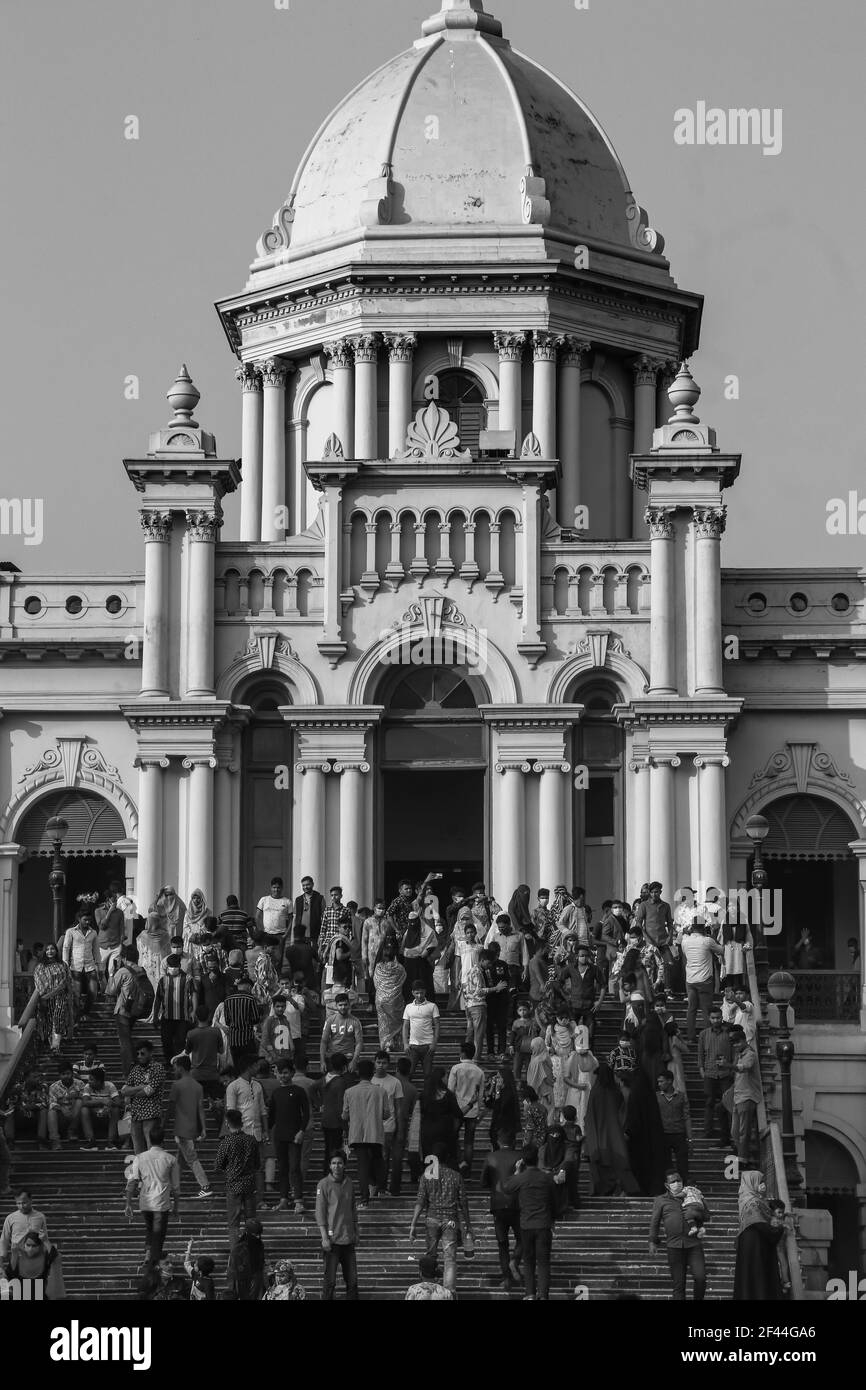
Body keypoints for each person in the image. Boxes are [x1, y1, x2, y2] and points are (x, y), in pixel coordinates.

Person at [409, 1145, 473, 1295]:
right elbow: (463, 1203)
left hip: (431, 1218)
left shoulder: (426, 1176)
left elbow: (420, 1201)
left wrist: (413, 1224)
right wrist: (468, 1225)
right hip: (450, 1220)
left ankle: (429, 1293)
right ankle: (448, 1292)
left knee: (430, 1256)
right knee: (450, 1259)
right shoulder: (456, 1176)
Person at [501, 1145, 556, 1301]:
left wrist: (517, 1171)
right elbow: (554, 1201)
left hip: (526, 1225)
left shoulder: (521, 1178)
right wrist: (553, 1219)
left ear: (523, 1160)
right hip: (544, 1224)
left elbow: (506, 1187)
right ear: (538, 1158)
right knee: (544, 1262)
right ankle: (543, 1295)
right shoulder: (546, 1178)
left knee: (529, 1261)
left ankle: (530, 1294)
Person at [648, 1169, 709, 1301]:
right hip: (674, 1246)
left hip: (694, 1244)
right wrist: (652, 1240)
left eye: (679, 1180)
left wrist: (697, 1215)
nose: (677, 1183)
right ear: (667, 1185)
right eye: (673, 1181)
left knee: (701, 1277)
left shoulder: (692, 1195)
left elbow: (707, 1215)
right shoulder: (660, 1200)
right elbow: (655, 1222)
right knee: (679, 1285)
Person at [124, 1124, 180, 1264]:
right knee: (158, 1235)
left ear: (149, 1139)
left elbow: (132, 1182)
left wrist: (128, 1204)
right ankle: (152, 1263)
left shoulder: (139, 1158)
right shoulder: (171, 1159)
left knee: (150, 1231)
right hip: (161, 1204)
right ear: (163, 1141)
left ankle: (150, 1253)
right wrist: (176, 1207)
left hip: (145, 1203)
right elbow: (176, 1187)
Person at [583, 1062, 639, 1196]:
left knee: (600, 1164)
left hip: (598, 1134)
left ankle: (603, 1189)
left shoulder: (595, 1093)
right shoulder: (616, 1092)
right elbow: (622, 1112)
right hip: (615, 1135)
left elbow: (590, 1116)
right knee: (618, 1162)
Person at [342, 1057, 391, 1205]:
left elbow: (345, 1115)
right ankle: (381, 1189)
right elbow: (386, 1114)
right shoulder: (380, 1091)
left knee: (362, 1165)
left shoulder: (349, 1092)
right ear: (372, 1073)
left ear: (358, 1073)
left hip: (357, 1133)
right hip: (375, 1132)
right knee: (378, 1161)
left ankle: (364, 1198)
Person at [266, 1059, 311, 1213]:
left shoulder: (299, 1091)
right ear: (276, 1074)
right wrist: (267, 1132)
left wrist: (301, 1131)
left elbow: (306, 1114)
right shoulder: (276, 1093)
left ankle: (298, 1200)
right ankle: (283, 1199)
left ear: (292, 1073)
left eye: (285, 1072)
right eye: (280, 1073)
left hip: (294, 1135)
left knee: (294, 1167)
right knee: (283, 1168)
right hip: (279, 1135)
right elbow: (271, 1116)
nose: (283, 1076)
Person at [733, 1170, 784, 1300]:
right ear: (752, 1183)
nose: (763, 1185)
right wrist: (779, 1229)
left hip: (751, 1243)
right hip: (755, 1244)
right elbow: (759, 1223)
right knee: (757, 1276)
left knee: (750, 1277)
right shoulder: (752, 1202)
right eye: (760, 1182)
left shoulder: (749, 1199)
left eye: (763, 1182)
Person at [316, 1152, 360, 1299]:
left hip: (348, 1239)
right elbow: (320, 1212)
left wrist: (356, 1231)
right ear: (329, 1165)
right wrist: (324, 1238)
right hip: (332, 1240)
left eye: (340, 1163)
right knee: (330, 1282)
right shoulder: (323, 1184)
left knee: (353, 1281)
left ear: (345, 1165)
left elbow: (353, 1208)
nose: (337, 1166)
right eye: (333, 1163)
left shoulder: (349, 1183)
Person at [482, 1130, 523, 1290]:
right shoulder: (520, 1156)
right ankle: (515, 1260)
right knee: (522, 1238)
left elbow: (482, 1182)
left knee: (502, 1243)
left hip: (498, 1205)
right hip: (517, 1204)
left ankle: (506, 1278)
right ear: (514, 1142)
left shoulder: (491, 1157)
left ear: (498, 1142)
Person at [168, 1055, 212, 1198]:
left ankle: (205, 1186)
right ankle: (171, 1187)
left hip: (182, 1128)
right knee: (179, 1160)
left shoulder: (177, 1085)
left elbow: (171, 1107)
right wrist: (204, 1128)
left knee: (191, 1158)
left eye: (175, 1067)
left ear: (180, 1067)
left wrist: (163, 1124)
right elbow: (201, 1108)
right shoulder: (198, 1086)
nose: (174, 1070)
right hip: (192, 1127)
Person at [216, 1107, 261, 1245]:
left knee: (234, 1223)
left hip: (233, 1185)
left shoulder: (226, 1142)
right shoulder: (251, 1140)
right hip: (249, 1184)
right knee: (251, 1221)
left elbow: (218, 1165)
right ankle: (252, 1249)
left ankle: (236, 1253)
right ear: (241, 1122)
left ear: (227, 1123)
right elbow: (257, 1164)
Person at [105, 949, 152, 1075]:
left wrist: (112, 975)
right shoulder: (142, 970)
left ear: (125, 958)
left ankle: (128, 1072)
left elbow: (110, 991)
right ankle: (138, 1065)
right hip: (136, 1011)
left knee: (124, 1042)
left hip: (123, 1010)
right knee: (128, 1039)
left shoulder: (123, 971)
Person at [623, 1066, 667, 1196]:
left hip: (638, 1140)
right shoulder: (650, 1094)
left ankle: (639, 1189)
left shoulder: (635, 1094)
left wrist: (628, 1132)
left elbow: (634, 1119)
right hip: (653, 1139)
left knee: (639, 1165)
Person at [681, 919, 724, 1042]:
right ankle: (708, 1038)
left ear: (692, 928)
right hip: (705, 980)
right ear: (703, 928)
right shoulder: (707, 941)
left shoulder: (685, 941)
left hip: (690, 979)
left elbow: (685, 954)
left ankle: (690, 1037)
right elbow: (721, 951)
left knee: (691, 1009)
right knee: (706, 1010)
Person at [447, 1041, 485, 1178]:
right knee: (469, 1141)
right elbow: (481, 1095)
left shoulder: (456, 1069)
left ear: (462, 1053)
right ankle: (467, 1171)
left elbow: (450, 1090)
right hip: (473, 1110)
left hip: (457, 1109)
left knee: (452, 1137)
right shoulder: (479, 1071)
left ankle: (459, 1162)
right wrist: (480, 1110)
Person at [121, 1041, 165, 1154]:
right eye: (138, 1054)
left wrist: (131, 1092)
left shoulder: (157, 1068)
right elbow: (123, 1090)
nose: (139, 1056)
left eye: (142, 1053)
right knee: (138, 1152)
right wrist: (139, 1087)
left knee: (152, 1150)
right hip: (135, 1115)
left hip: (151, 1114)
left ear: (151, 1053)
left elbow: (148, 1092)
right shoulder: (135, 1069)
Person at [697, 1005, 734, 1142]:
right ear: (709, 1018)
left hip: (725, 1073)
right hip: (709, 1073)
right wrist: (702, 1070)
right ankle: (708, 1131)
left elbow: (734, 1052)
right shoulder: (704, 1034)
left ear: (722, 1017)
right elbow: (700, 1054)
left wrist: (731, 1069)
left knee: (728, 1103)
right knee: (709, 1102)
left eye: (718, 1017)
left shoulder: (728, 1033)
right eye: (713, 1018)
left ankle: (729, 1132)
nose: (716, 1020)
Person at [153, 953, 195, 1064]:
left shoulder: (187, 978)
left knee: (180, 1042)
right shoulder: (163, 980)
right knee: (166, 1041)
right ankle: (169, 1063)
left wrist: (194, 1011)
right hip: (167, 1017)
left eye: (175, 965)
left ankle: (179, 1064)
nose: (173, 968)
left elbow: (194, 994)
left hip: (182, 1017)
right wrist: (155, 1015)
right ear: (167, 966)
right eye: (171, 966)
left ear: (179, 965)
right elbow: (158, 999)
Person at [32, 942, 72, 1055]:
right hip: (47, 998)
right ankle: (53, 1047)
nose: (50, 951)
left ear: (56, 951)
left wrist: (69, 993)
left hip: (61, 997)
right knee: (49, 1021)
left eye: (52, 949)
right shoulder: (40, 966)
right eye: (48, 949)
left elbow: (68, 980)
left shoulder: (62, 965)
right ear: (45, 951)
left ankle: (56, 1045)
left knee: (58, 1018)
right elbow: (39, 983)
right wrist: (45, 995)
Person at [62, 908, 102, 1018]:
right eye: (85, 920)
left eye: (89, 920)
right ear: (79, 919)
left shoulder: (93, 932)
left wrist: (99, 965)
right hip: (76, 966)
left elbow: (96, 950)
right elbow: (66, 948)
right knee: (76, 994)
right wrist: (65, 963)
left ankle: (85, 1011)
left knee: (93, 992)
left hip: (90, 966)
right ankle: (76, 1016)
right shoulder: (71, 932)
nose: (87, 922)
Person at [420, 1069, 463, 1169]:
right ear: (442, 1078)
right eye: (446, 1077)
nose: (447, 1079)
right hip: (445, 1133)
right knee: (445, 1159)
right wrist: (470, 1104)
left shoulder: (424, 1095)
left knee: (430, 1159)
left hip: (427, 1132)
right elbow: (458, 1114)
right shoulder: (448, 1095)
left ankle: (430, 1181)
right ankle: (445, 1181)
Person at [730, 1027, 762, 1164]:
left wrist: (728, 1066)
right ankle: (741, 1155)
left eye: (737, 1043)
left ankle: (743, 1159)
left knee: (744, 1131)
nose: (735, 1046)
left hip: (747, 1096)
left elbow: (746, 1067)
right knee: (735, 1131)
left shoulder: (750, 1054)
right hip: (738, 1096)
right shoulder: (740, 1054)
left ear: (743, 1041)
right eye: (733, 1043)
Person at [372, 1050, 403, 1188]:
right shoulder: (369, 1081)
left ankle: (382, 1186)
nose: (381, 1065)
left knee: (384, 1157)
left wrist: (400, 1128)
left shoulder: (395, 1082)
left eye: (384, 1063)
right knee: (372, 1157)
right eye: (378, 1062)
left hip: (388, 1126)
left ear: (388, 1064)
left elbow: (399, 1107)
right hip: (370, 1125)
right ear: (374, 1063)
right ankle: (373, 1185)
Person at [391, 1056, 421, 1195]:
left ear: (396, 1068)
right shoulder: (412, 1089)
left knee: (382, 1157)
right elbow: (414, 1112)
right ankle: (395, 1188)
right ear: (410, 1071)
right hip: (401, 1125)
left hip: (384, 1124)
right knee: (397, 1157)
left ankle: (379, 1186)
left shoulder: (388, 1083)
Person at [0, 1189, 49, 1272]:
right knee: (17, 1284)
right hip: (17, 1258)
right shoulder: (10, 1218)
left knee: (34, 1284)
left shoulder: (40, 1217)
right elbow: (4, 1239)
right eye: (18, 1203)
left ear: (31, 1200)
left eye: (24, 1203)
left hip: (35, 1259)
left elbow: (45, 1237)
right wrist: (1, 1258)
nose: (21, 1206)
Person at [7, 1229, 65, 1299]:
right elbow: (11, 1275)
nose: (30, 1248)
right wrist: (14, 1254)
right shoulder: (19, 1259)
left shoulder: (44, 1258)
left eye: (34, 1246)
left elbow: (55, 1258)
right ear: (24, 1245)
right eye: (28, 1245)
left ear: (39, 1246)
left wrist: (45, 1241)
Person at [656, 1069, 691, 1182]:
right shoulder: (656, 1096)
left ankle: (684, 1185)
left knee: (682, 1164)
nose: (659, 1084)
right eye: (659, 1082)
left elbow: (687, 1116)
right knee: (665, 1164)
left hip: (679, 1134)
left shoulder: (681, 1096)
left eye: (662, 1081)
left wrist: (690, 1138)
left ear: (670, 1081)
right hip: (663, 1134)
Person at [372, 939, 407, 1051]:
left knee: (384, 1023)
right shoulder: (399, 968)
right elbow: (403, 980)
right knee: (396, 1022)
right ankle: (396, 1045)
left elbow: (376, 982)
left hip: (381, 999)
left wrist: (383, 992)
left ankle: (387, 1046)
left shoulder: (378, 967)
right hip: (395, 1000)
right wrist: (393, 991)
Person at [402, 979, 440, 1079]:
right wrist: (405, 1043)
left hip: (428, 1046)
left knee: (428, 1075)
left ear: (425, 992)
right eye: (417, 993)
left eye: (421, 993)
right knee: (408, 1074)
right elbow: (405, 1026)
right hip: (413, 1046)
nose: (419, 995)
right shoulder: (408, 1007)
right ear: (412, 993)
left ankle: (428, 1094)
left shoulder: (432, 1006)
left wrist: (434, 1043)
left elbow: (437, 1025)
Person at [79, 1065, 122, 1151]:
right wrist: (102, 1101)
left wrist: (109, 1105)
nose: (89, 1081)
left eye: (91, 1079)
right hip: (93, 1117)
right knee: (84, 1109)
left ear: (99, 1081)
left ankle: (111, 1141)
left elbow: (118, 1103)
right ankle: (91, 1141)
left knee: (116, 1109)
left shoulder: (110, 1086)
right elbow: (84, 1102)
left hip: (107, 1117)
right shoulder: (88, 1087)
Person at [320, 991, 363, 1073]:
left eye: (345, 1004)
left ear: (349, 1005)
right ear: (336, 1006)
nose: (343, 1007)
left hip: (348, 1058)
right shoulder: (330, 1020)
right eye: (340, 1005)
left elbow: (359, 1043)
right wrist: (322, 1061)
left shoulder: (356, 1021)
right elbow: (323, 1041)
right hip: (333, 1057)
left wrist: (354, 1061)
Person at [227, 1218, 266, 1301]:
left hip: (257, 1280)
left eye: (259, 1234)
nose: (258, 1237)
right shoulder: (239, 1248)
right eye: (255, 1235)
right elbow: (233, 1270)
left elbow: (261, 1261)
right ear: (248, 1233)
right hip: (242, 1281)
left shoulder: (260, 1244)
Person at [46, 1062, 83, 1150]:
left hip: (76, 1115)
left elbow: (85, 1098)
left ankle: (72, 1131)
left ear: (72, 1073)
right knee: (51, 1112)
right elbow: (52, 1103)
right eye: (63, 1074)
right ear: (59, 1075)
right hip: (61, 1116)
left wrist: (76, 1096)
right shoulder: (53, 1087)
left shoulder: (80, 1084)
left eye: (68, 1073)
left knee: (79, 1102)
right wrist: (62, 1108)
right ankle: (55, 1141)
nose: (66, 1076)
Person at [488, 1062, 521, 1152]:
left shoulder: (508, 1093)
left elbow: (499, 1108)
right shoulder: (500, 1091)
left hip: (504, 1130)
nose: (496, 1079)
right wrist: (492, 1088)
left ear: (505, 1079)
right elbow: (489, 1103)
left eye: (498, 1077)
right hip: (498, 1127)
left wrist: (497, 1092)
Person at [294, 874, 326, 951]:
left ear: (312, 884)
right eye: (303, 885)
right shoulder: (298, 899)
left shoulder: (320, 898)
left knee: (314, 955)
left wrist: (322, 934)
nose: (305, 887)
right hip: (300, 934)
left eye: (307, 884)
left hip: (315, 933)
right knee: (301, 955)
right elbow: (295, 917)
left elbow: (324, 917)